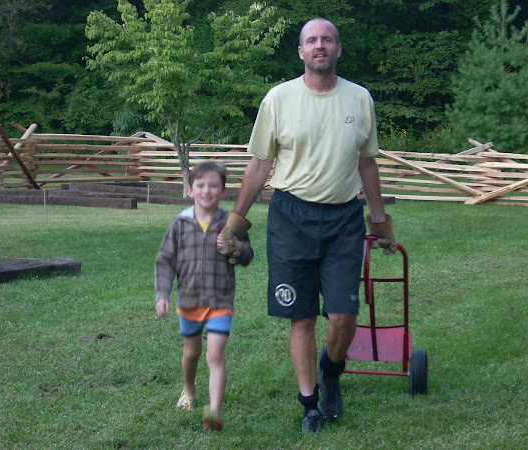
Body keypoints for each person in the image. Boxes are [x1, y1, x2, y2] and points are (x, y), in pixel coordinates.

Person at [218, 17, 397, 434]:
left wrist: (380, 219)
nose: (320, 46)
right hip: (291, 217)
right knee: (301, 317)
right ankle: (310, 403)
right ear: (300, 51)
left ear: (338, 49)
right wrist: (235, 223)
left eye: (327, 40)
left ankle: (331, 371)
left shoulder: (359, 99)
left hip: (343, 220)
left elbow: (367, 162)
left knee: (342, 315)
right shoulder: (278, 99)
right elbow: (260, 163)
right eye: (311, 40)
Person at [155, 161, 254, 432]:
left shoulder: (230, 224)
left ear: (223, 191)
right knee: (192, 352)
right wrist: (162, 294)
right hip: (188, 301)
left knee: (215, 354)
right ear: (190, 190)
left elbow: (247, 256)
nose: (207, 190)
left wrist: (237, 247)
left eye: (214, 186)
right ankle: (189, 390)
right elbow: (165, 261)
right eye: (201, 185)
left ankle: (214, 411)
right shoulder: (180, 223)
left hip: (220, 301)